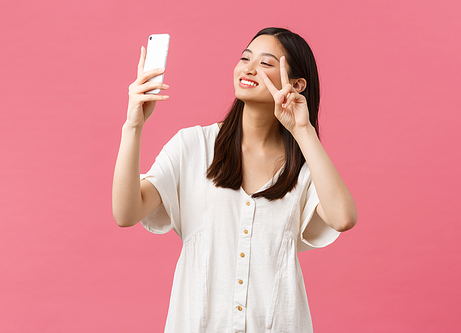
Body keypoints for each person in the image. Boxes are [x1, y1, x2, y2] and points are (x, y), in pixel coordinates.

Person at [112, 27, 357, 333]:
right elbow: (125, 213)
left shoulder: (305, 168)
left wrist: (303, 130)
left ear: (297, 84)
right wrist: (133, 126)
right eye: (245, 58)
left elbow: (343, 218)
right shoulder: (194, 146)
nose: (248, 69)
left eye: (266, 63)